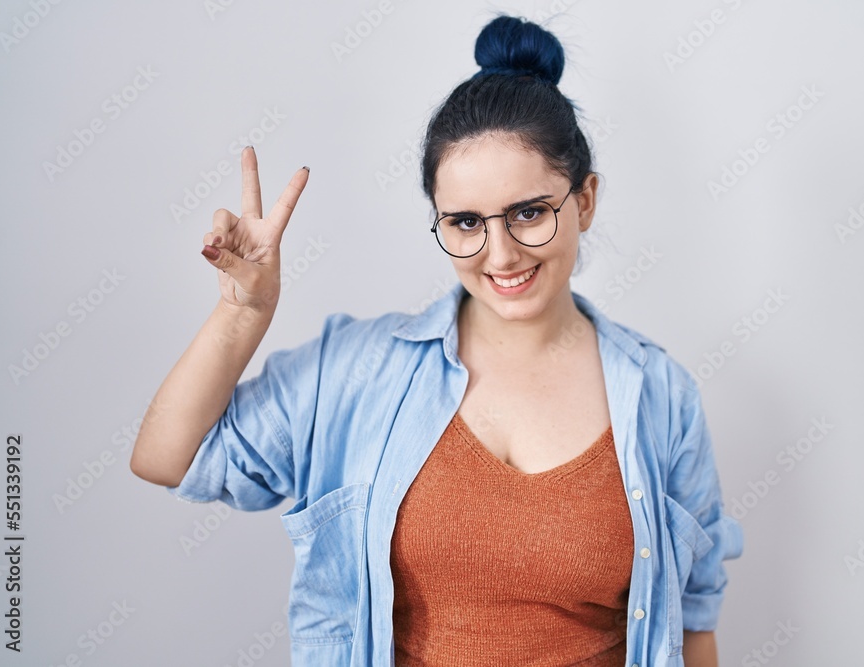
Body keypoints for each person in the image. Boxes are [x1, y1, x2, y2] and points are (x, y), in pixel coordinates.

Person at [130, 13, 743, 667]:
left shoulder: (661, 394)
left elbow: (694, 621)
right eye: (465, 221)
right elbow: (167, 457)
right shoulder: (355, 371)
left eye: (529, 212)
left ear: (585, 200)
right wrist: (244, 311)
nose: (500, 253)